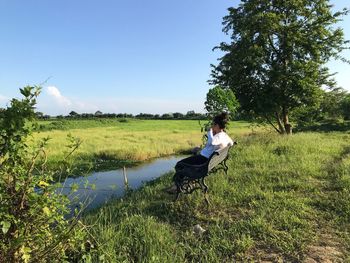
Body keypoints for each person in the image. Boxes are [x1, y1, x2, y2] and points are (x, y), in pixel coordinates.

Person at [166, 112, 234, 193]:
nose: (211, 126)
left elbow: (213, 142)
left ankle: (177, 187)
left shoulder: (218, 136)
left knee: (179, 164)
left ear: (217, 126)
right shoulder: (224, 135)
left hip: (203, 160)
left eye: (213, 124)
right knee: (191, 157)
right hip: (207, 160)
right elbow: (231, 143)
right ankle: (183, 184)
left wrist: (209, 132)